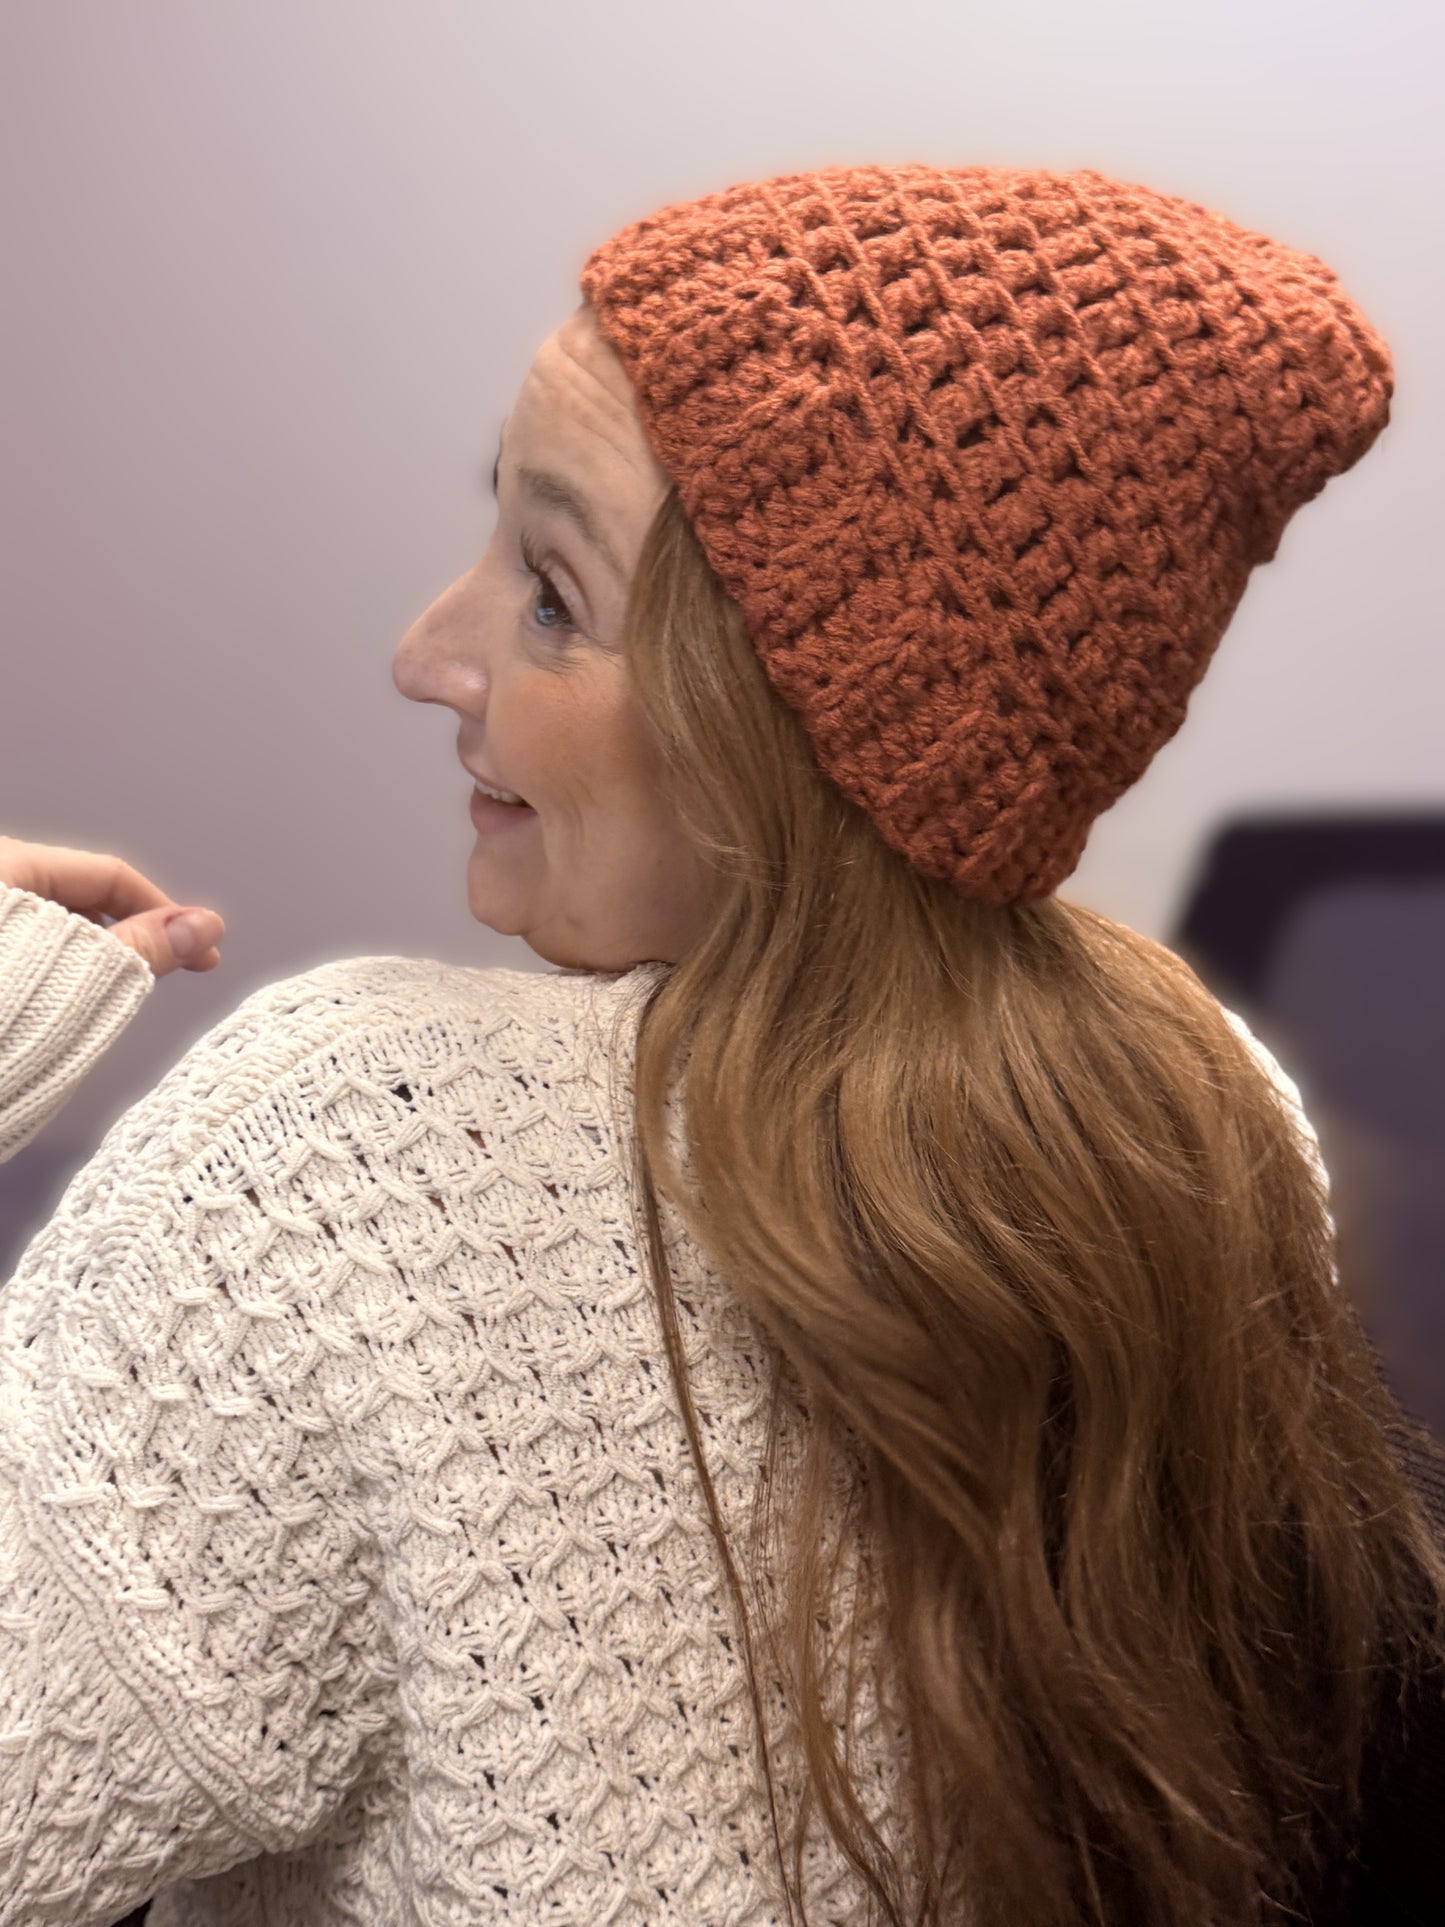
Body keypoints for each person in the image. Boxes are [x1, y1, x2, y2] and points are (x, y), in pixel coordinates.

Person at [1, 162, 1442, 1927]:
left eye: (550, 592)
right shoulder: (1213, 1111)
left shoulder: (343, 1163)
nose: (422, 653)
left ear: (796, 728)